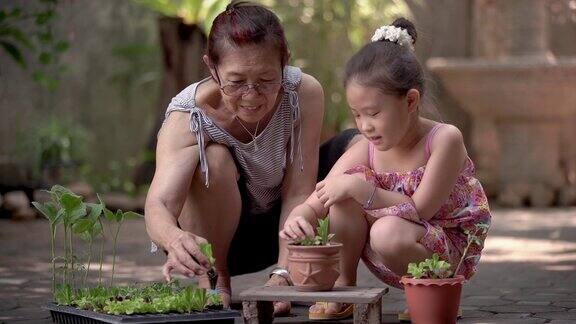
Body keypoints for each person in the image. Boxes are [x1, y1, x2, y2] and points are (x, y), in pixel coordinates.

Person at [144, 1, 359, 315]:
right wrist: (174, 238)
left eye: (266, 80)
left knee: (354, 146)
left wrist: (282, 275)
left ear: (285, 62)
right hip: (221, 242)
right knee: (213, 159)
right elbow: (158, 204)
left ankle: (320, 278)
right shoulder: (187, 117)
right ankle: (216, 281)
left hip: (285, 230)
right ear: (212, 68)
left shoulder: (302, 93)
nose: (251, 94)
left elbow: (299, 189)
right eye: (236, 81)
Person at [280, 17, 492, 320]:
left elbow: (421, 209)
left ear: (410, 101)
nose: (365, 126)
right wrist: (299, 217)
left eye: (374, 113)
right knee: (341, 195)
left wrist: (363, 190)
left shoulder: (444, 139)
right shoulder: (366, 147)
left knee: (382, 226)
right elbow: (320, 197)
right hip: (391, 242)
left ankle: (433, 290)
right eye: (356, 115)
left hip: (442, 247)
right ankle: (345, 292)